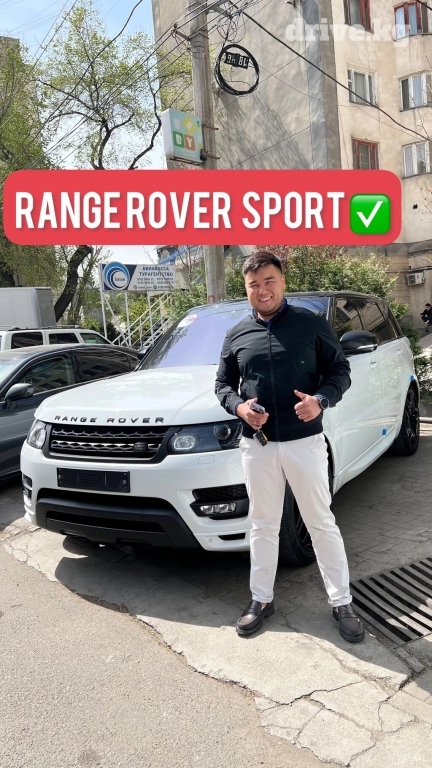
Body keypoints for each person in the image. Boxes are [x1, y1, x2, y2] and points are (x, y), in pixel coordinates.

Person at [215, 251, 364, 643]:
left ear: (282, 281)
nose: (262, 290)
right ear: (246, 289)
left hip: (304, 442)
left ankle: (342, 602)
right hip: (258, 447)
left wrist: (321, 400)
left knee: (320, 522)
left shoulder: (310, 324)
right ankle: (261, 599)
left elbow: (340, 371)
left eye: (269, 281)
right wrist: (240, 408)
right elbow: (223, 385)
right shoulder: (236, 334)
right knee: (263, 524)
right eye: (254, 284)